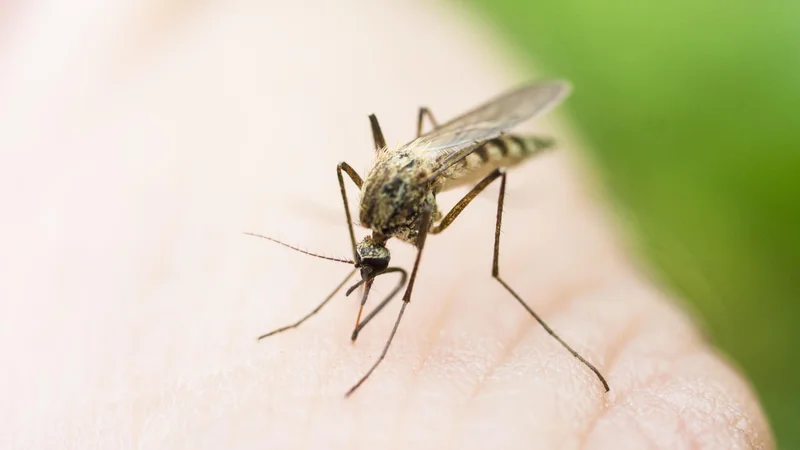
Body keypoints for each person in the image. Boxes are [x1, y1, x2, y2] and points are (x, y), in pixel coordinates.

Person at [0, 1, 772, 448]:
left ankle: (492, 275)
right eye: (368, 254)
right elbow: (365, 196)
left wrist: (402, 281)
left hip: (471, 153)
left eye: (368, 256)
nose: (369, 253)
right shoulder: (370, 213)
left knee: (484, 181)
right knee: (369, 166)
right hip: (421, 165)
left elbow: (415, 214)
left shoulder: (398, 216)